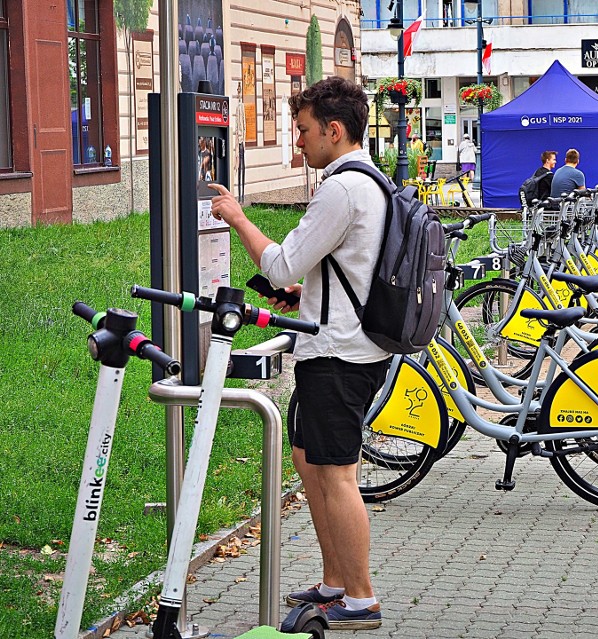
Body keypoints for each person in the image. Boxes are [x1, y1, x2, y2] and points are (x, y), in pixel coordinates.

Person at [209, 76, 390, 630]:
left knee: (336, 472)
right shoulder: (370, 181)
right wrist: (300, 292)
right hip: (343, 342)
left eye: (305, 130)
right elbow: (341, 265)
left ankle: (359, 598)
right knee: (309, 460)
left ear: (335, 131)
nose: (298, 142)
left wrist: (238, 217)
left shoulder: (341, 187)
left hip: (339, 352)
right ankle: (335, 580)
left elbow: (284, 261)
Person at [234, 82, 247, 203]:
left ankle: (242, 196)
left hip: (242, 142)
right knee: (240, 168)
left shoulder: (241, 107)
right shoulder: (238, 108)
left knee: (243, 167)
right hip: (239, 141)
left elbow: (244, 125)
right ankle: (240, 196)